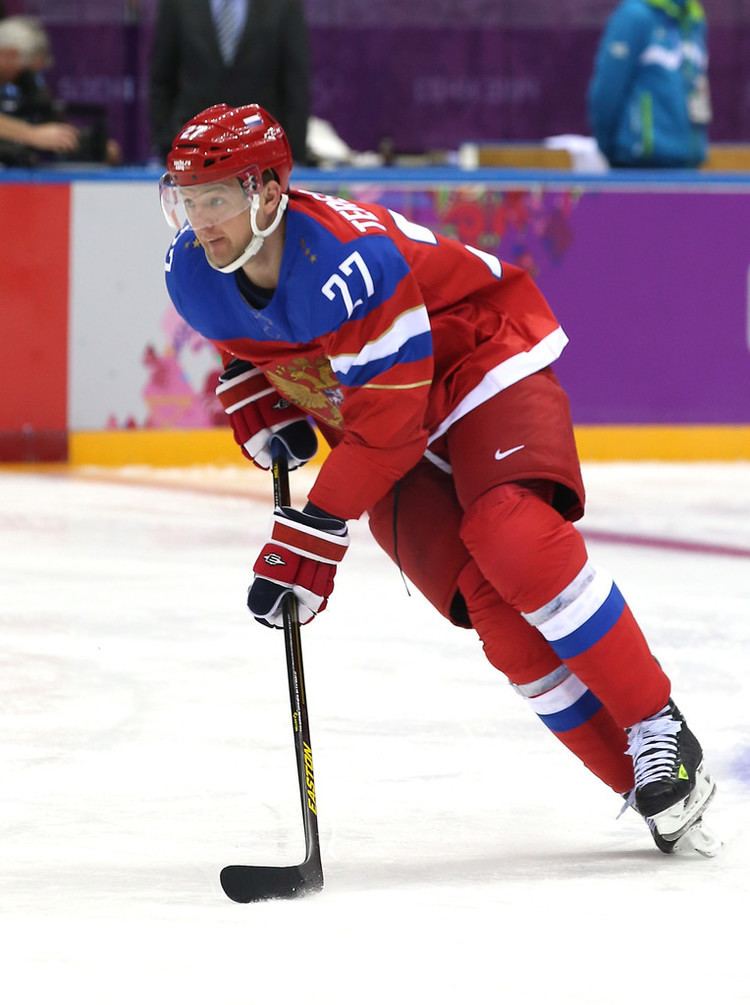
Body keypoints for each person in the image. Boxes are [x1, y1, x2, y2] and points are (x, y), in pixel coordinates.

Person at [159, 103, 718, 856]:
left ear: (267, 193)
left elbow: (388, 436)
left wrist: (310, 535)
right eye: (187, 200)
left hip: (476, 357)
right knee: (493, 610)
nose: (200, 220)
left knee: (510, 535)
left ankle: (659, 727)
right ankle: (641, 783)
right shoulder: (190, 270)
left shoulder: (350, 261)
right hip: (380, 404)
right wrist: (252, 383)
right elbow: (252, 338)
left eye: (216, 198)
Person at [148, 0, 310, 164]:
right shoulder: (177, 4)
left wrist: (294, 156)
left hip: (262, 149)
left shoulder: (284, 4)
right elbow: (162, 80)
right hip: (193, 149)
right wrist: (167, 146)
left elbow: (296, 83)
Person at [587, 0, 711, 168]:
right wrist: (612, 149)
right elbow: (607, 92)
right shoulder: (635, 16)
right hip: (638, 165)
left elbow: (697, 88)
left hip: (688, 163)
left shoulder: (693, 18)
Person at [0, 16, 78, 164]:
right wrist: (31, 134)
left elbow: (50, 119)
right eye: (24, 70)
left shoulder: (26, 84)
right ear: (10, 54)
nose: (23, 78)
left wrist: (83, 145)